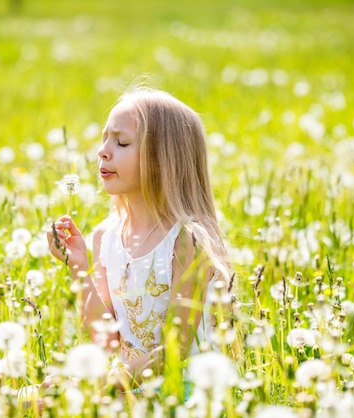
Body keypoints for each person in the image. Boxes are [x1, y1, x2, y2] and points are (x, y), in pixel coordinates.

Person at [46, 86, 232, 392]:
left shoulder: (187, 242)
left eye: (122, 142)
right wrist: (78, 267)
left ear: (162, 160)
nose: (103, 151)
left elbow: (174, 351)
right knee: (30, 399)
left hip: (184, 393)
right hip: (128, 387)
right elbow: (106, 339)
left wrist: (90, 388)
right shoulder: (105, 236)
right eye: (104, 138)